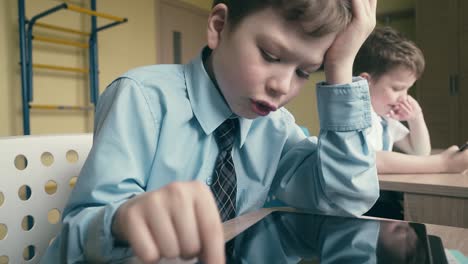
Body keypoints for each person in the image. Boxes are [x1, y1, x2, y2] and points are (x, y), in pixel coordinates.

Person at [41, 0, 379, 263]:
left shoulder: (276, 128)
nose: (282, 86)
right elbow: (75, 238)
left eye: (305, 72)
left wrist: (340, 68)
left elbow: (346, 199)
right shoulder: (141, 96)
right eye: (270, 55)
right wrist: (122, 221)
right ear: (218, 26)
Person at [353, 27, 468, 219]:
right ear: (365, 82)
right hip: (359, 207)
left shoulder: (384, 117)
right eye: (398, 88)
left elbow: (420, 151)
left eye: (408, 89)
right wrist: (442, 163)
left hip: (378, 198)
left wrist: (416, 117)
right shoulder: (355, 113)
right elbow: (370, 159)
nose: (403, 97)